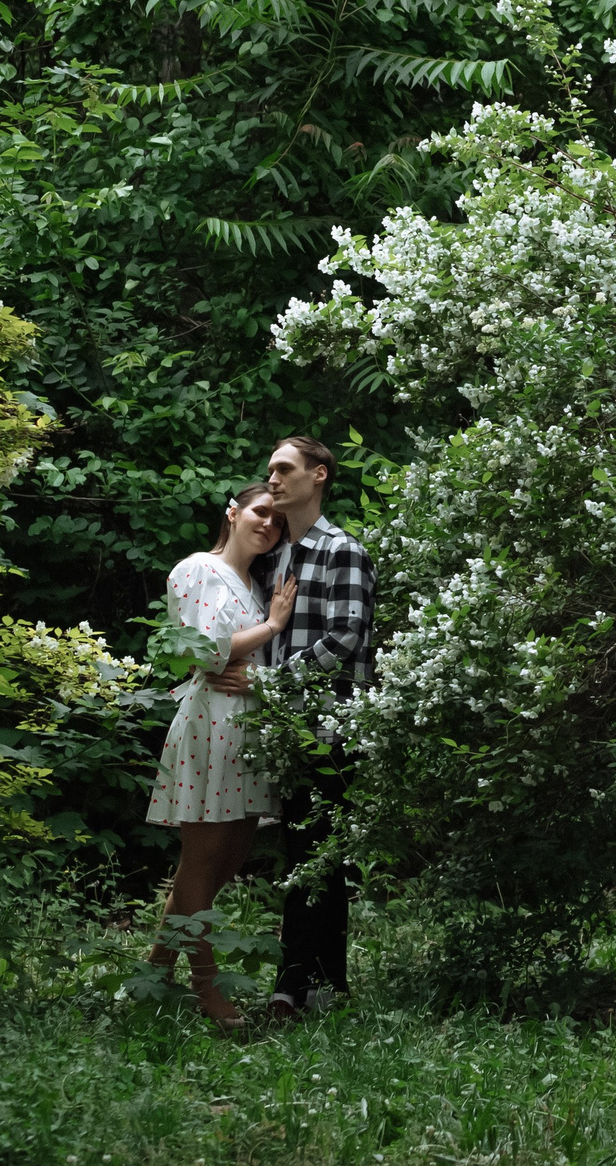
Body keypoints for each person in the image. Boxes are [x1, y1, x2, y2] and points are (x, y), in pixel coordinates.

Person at [206, 434, 375, 1019]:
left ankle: (295, 987)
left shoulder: (342, 551)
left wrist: (272, 684)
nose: (272, 479)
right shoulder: (273, 557)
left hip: (326, 730)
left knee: (320, 855)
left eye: (284, 469)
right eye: (269, 470)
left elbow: (347, 635)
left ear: (319, 476)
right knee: (302, 855)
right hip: (276, 732)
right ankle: (316, 985)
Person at [144, 482, 297, 1026]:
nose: (268, 524)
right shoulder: (197, 569)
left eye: (278, 521)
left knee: (218, 865)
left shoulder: (251, 584)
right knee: (204, 861)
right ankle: (206, 990)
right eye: (260, 512)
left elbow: (244, 662)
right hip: (212, 727)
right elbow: (203, 652)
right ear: (233, 513)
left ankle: (152, 980)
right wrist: (274, 626)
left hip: (248, 733)